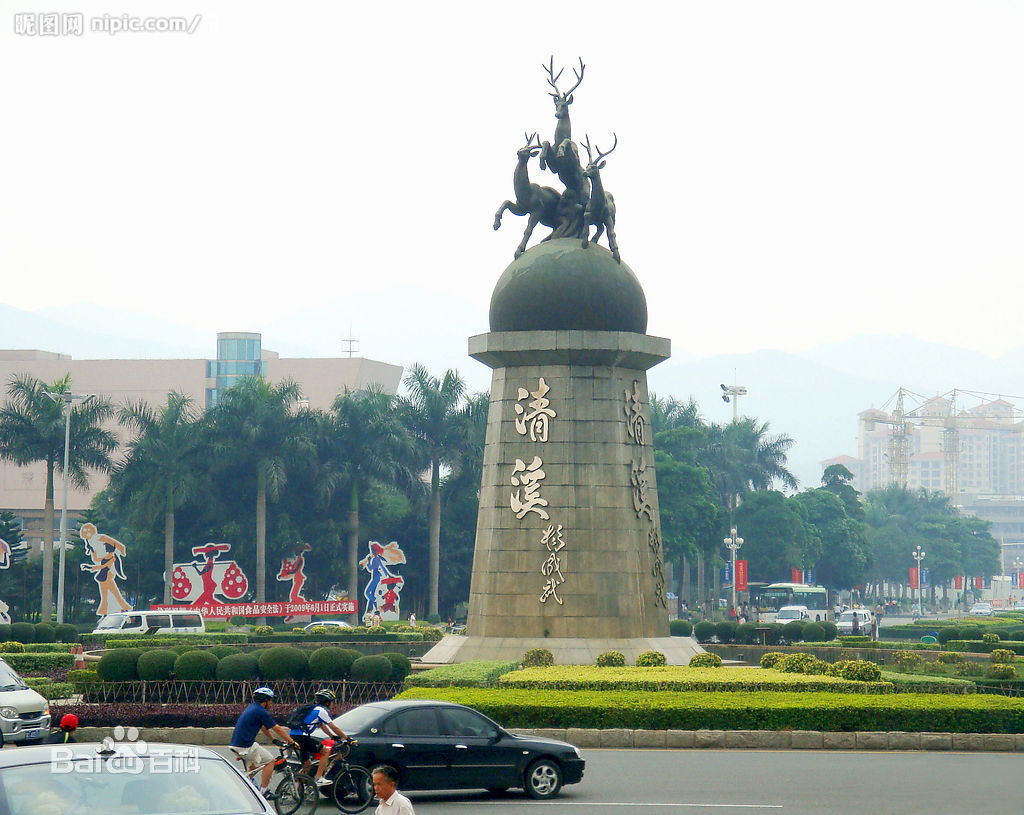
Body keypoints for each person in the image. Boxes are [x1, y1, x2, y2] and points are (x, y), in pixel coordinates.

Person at [229, 687, 296, 800]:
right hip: (245, 745)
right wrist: (292, 741)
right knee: (270, 761)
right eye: (271, 700)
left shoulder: (253, 708)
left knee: (253, 766)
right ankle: (264, 791)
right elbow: (278, 728)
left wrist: (273, 740)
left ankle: (248, 787)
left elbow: (264, 727)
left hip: (238, 744)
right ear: (265, 700)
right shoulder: (261, 711)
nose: (272, 703)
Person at [289, 689, 348, 787]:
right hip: (302, 738)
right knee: (325, 751)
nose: (333, 704)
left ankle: (299, 794)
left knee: (307, 765)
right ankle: (318, 778)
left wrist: (332, 736)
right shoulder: (321, 711)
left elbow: (322, 725)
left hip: (294, 736)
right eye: (332, 702)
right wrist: (346, 738)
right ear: (327, 702)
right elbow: (334, 727)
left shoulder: (313, 709)